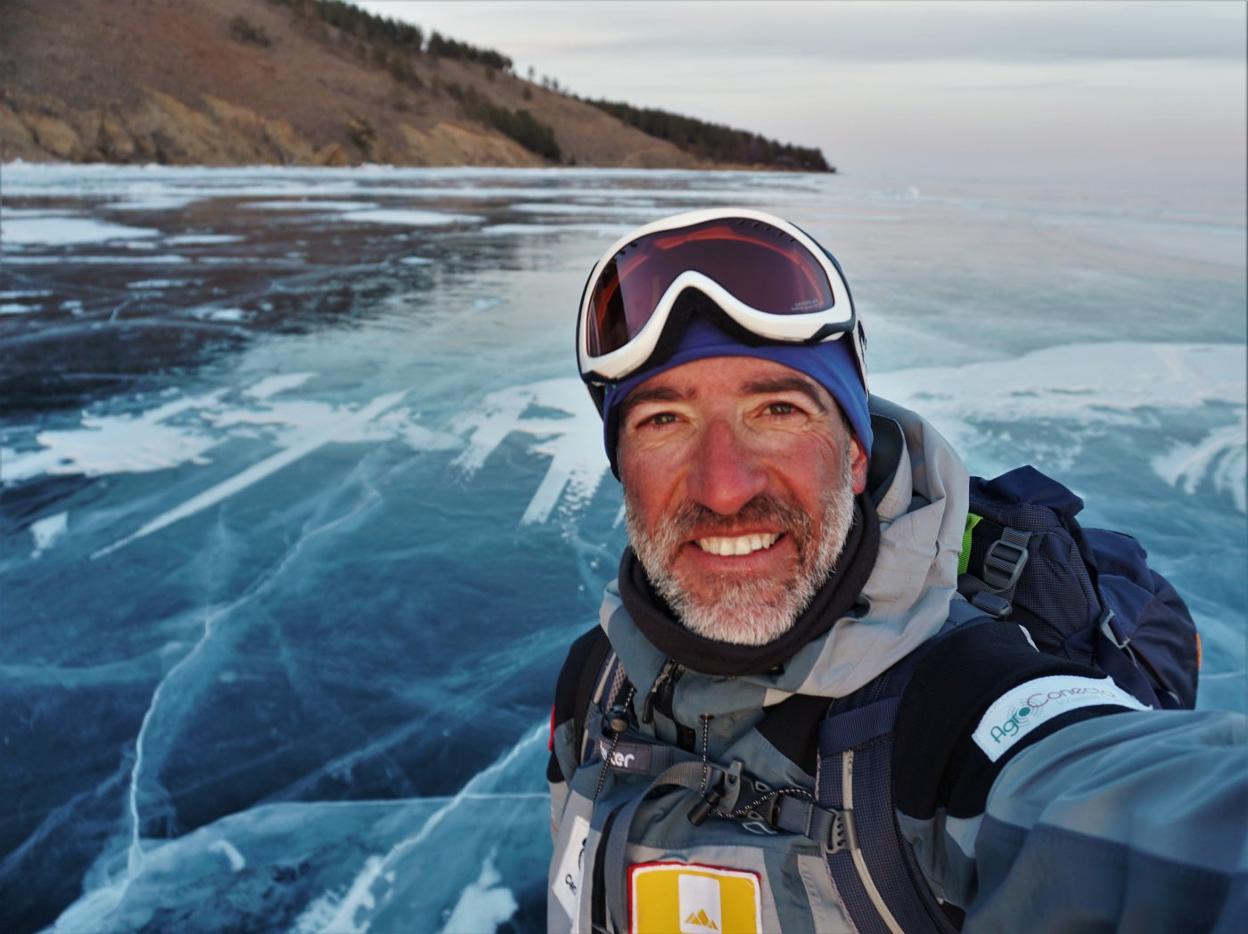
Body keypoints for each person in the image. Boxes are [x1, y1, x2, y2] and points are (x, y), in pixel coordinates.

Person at [547, 208, 1245, 933]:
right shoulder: (594, 683)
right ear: (622, 468)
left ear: (853, 454)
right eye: (664, 421)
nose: (724, 486)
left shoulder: (959, 716)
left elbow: (1158, 828)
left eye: (777, 410)